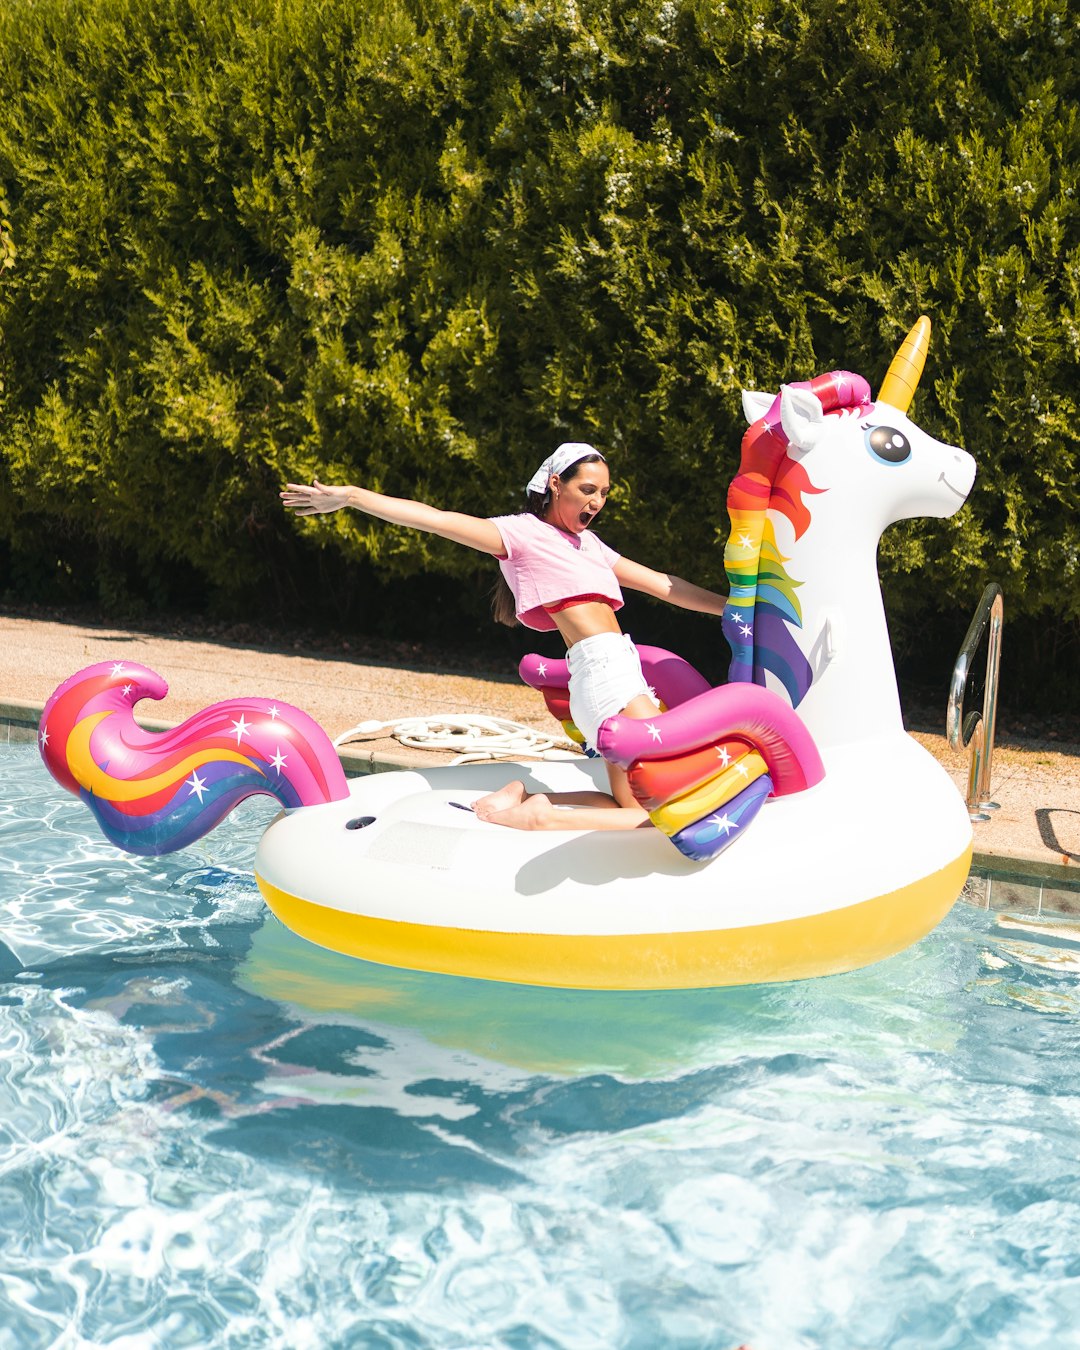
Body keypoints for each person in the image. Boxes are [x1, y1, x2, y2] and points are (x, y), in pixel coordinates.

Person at [280, 443, 727, 830]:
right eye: (587, 490)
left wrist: (731, 608)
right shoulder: (523, 532)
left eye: (604, 493)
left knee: (628, 807)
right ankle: (537, 818)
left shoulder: (590, 546)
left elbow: (665, 585)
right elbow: (437, 520)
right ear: (556, 484)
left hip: (609, 679)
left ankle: (521, 797)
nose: (597, 502)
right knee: (669, 809)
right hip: (610, 680)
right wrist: (353, 497)